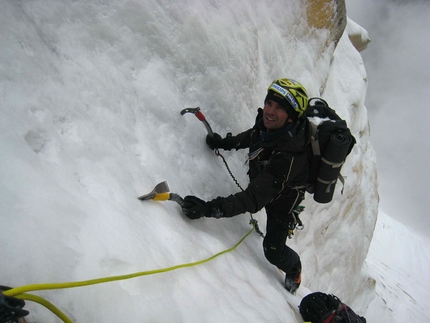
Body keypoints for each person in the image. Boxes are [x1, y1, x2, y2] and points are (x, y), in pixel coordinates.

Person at [181, 78, 310, 294]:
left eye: (279, 108)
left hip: (282, 202)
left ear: (291, 117)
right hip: (267, 183)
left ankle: (294, 268)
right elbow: (254, 136)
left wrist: (207, 208)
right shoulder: (272, 126)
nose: (270, 111)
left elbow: (251, 200)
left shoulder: (291, 154)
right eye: (269, 103)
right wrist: (223, 143)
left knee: (273, 251)